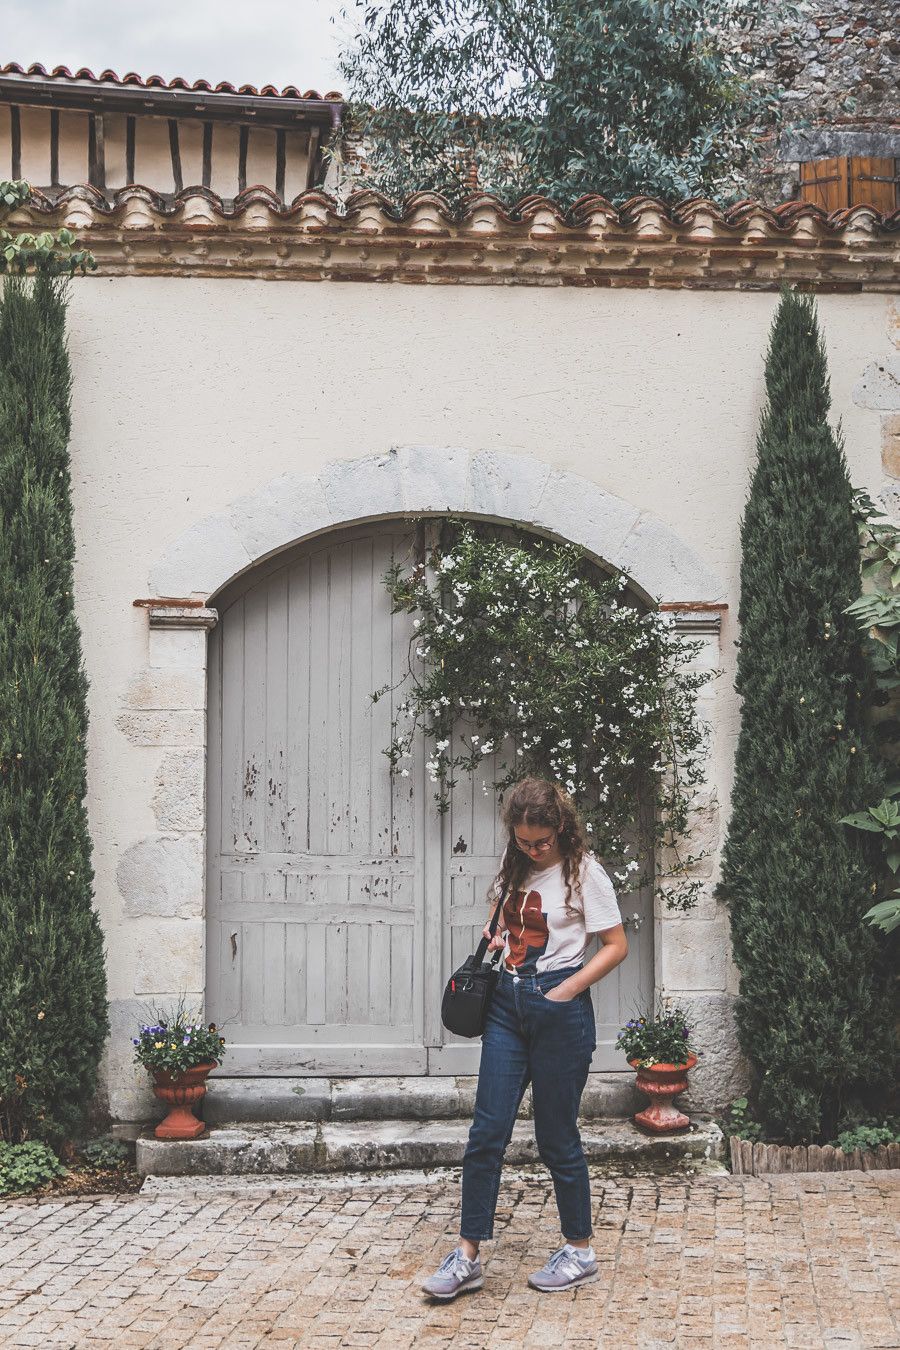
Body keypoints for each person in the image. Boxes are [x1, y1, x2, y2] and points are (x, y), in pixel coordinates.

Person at [422, 777, 628, 1300]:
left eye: (540, 842)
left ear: (560, 827)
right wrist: (500, 939)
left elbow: (615, 945)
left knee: (557, 1137)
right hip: (505, 1009)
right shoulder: (515, 866)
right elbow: (511, 930)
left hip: (560, 1012)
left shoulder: (585, 872)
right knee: (486, 1132)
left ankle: (579, 1251)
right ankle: (467, 1256)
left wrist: (566, 989)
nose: (532, 849)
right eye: (522, 840)